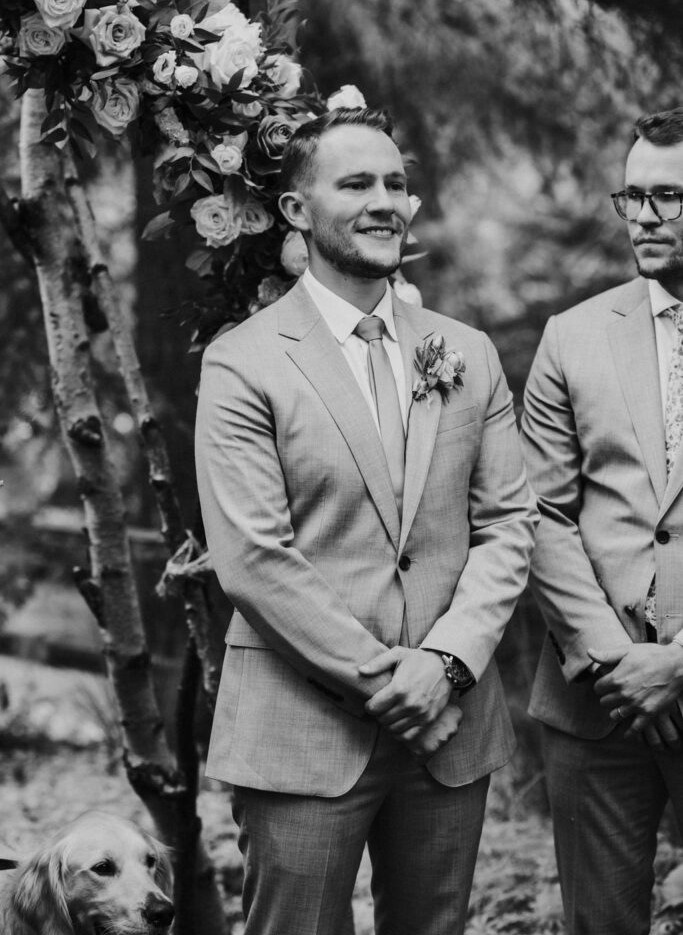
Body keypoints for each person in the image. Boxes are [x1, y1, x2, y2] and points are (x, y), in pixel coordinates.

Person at [195, 106, 537, 935]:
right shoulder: (243, 361)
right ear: (296, 212)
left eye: (396, 183)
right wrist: (395, 682)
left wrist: (446, 665)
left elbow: (508, 526)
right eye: (356, 183)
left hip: (448, 729)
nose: (385, 200)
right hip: (301, 725)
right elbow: (254, 560)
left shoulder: (466, 350)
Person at [521, 107, 683, 935]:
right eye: (634, 196)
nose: (646, 217)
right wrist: (619, 662)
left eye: (670, 196)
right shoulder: (572, 336)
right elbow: (540, 514)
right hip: (599, 703)